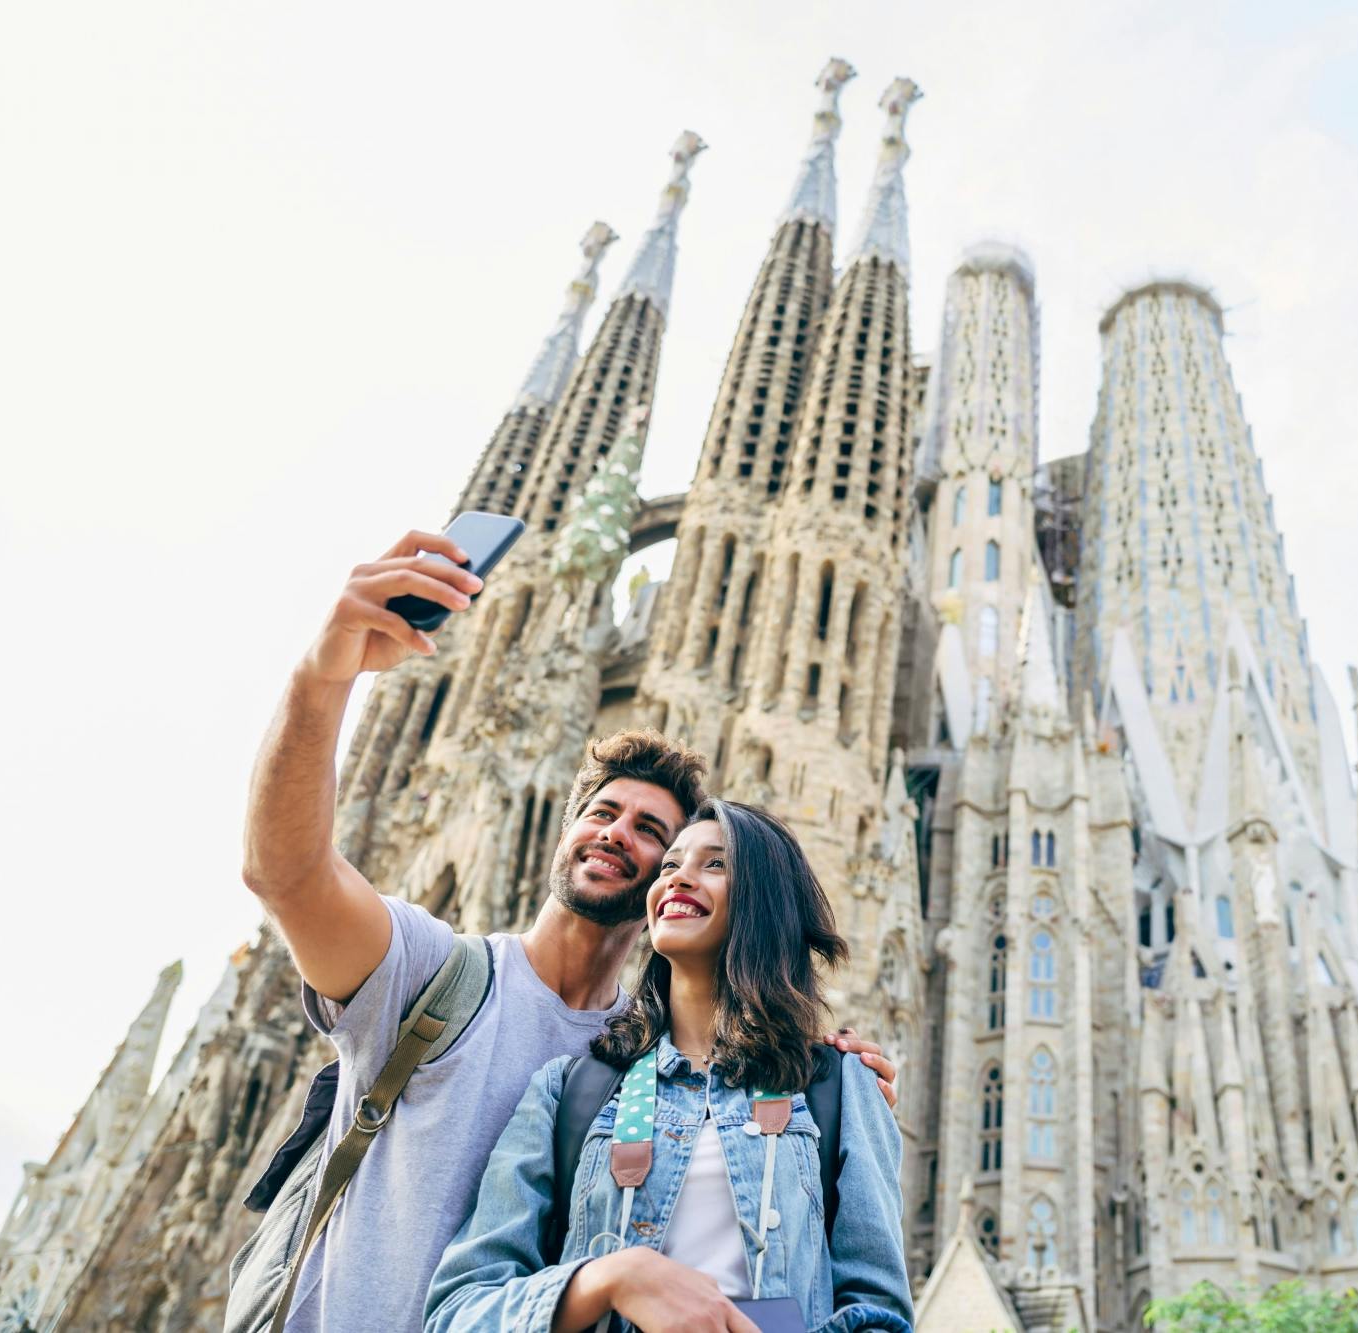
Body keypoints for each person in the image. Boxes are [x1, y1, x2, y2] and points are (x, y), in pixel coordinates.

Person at [242, 531, 898, 1331]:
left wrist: (823, 1067)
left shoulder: (635, 1069)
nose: (617, 833)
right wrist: (323, 675)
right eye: (600, 811)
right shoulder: (436, 975)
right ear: (563, 828)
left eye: (655, 830)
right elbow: (287, 873)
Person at [426, 799, 913, 1333]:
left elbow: (879, 1312)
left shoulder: (840, 1085)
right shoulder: (571, 1090)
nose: (679, 880)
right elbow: (459, 1311)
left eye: (716, 864)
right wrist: (610, 1280)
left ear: (766, 899)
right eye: (670, 866)